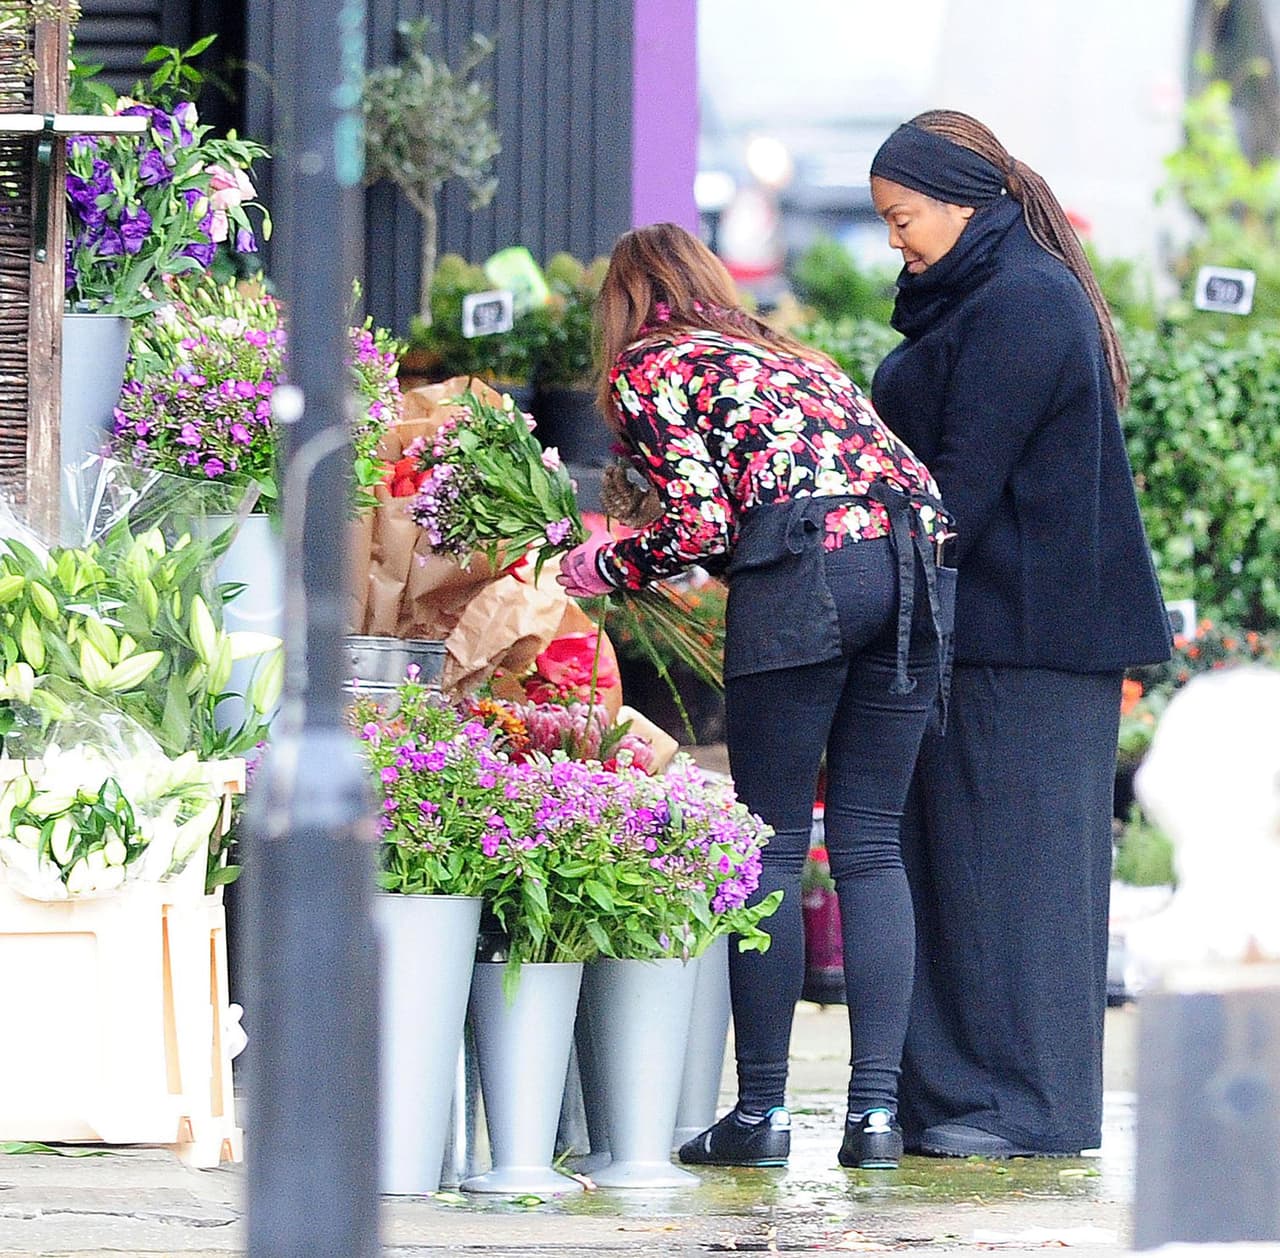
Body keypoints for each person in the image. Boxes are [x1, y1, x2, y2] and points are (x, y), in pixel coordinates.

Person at [556, 222, 954, 1170]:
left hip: (809, 568)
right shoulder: (793, 356)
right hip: (919, 565)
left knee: (770, 846)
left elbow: (699, 520)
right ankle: (875, 1120)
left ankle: (764, 1115)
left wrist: (603, 562)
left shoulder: (653, 366)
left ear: (626, 304)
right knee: (867, 841)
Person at [866, 111, 1171, 1159]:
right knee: (967, 864)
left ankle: (1024, 1105)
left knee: (1017, 876)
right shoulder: (997, 294)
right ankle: (966, 1094)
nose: (893, 242)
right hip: (996, 632)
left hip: (1027, 640)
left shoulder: (1020, 303)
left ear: (962, 201)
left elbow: (959, 487)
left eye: (902, 219)